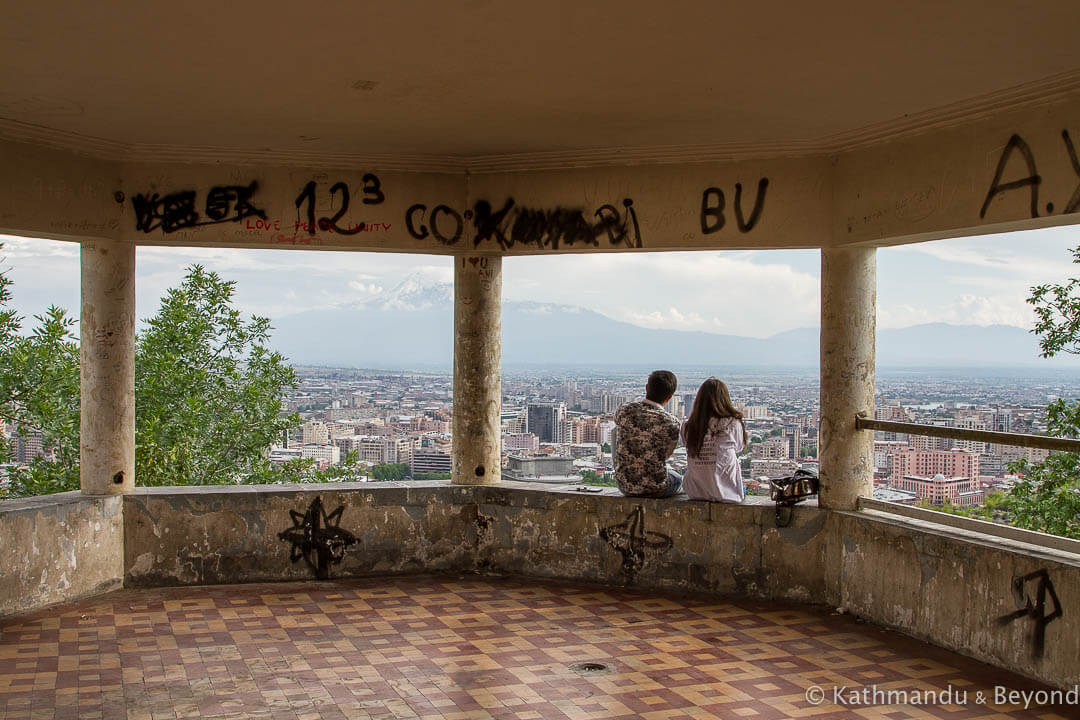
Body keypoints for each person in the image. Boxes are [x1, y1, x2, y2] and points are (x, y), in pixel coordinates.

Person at [613, 370, 683, 498]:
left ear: (647, 388)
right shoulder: (671, 423)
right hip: (655, 488)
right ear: (670, 397)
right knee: (679, 478)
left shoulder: (625, 409)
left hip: (624, 485)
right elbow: (666, 455)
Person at [681, 377, 747, 503]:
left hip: (695, 491)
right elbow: (739, 448)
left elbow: (687, 445)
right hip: (727, 493)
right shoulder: (732, 423)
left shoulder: (688, 426)